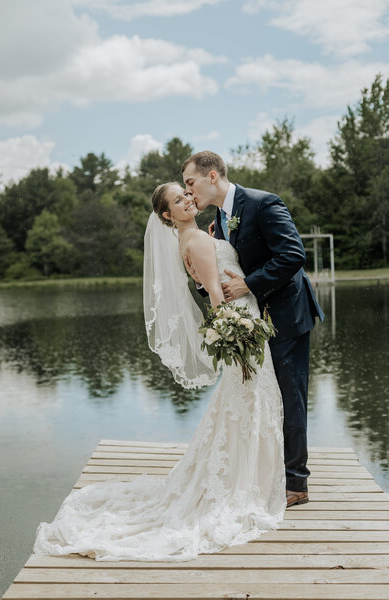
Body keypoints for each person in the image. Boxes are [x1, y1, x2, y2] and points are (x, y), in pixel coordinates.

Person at [33, 181, 286, 562]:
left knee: (243, 406)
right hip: (241, 322)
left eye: (187, 194)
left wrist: (215, 245)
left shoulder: (192, 237)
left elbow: (205, 276)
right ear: (167, 215)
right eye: (178, 200)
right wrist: (236, 332)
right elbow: (215, 295)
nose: (188, 199)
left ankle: (246, 478)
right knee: (252, 402)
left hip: (239, 320)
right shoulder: (197, 240)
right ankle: (248, 485)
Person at [182, 151, 325, 508]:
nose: (188, 191)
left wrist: (249, 285)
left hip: (288, 313)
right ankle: (272, 472)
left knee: (291, 395)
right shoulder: (220, 216)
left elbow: (293, 255)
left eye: (190, 182)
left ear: (212, 176)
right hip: (257, 319)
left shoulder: (263, 203)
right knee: (269, 396)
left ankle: (297, 484)